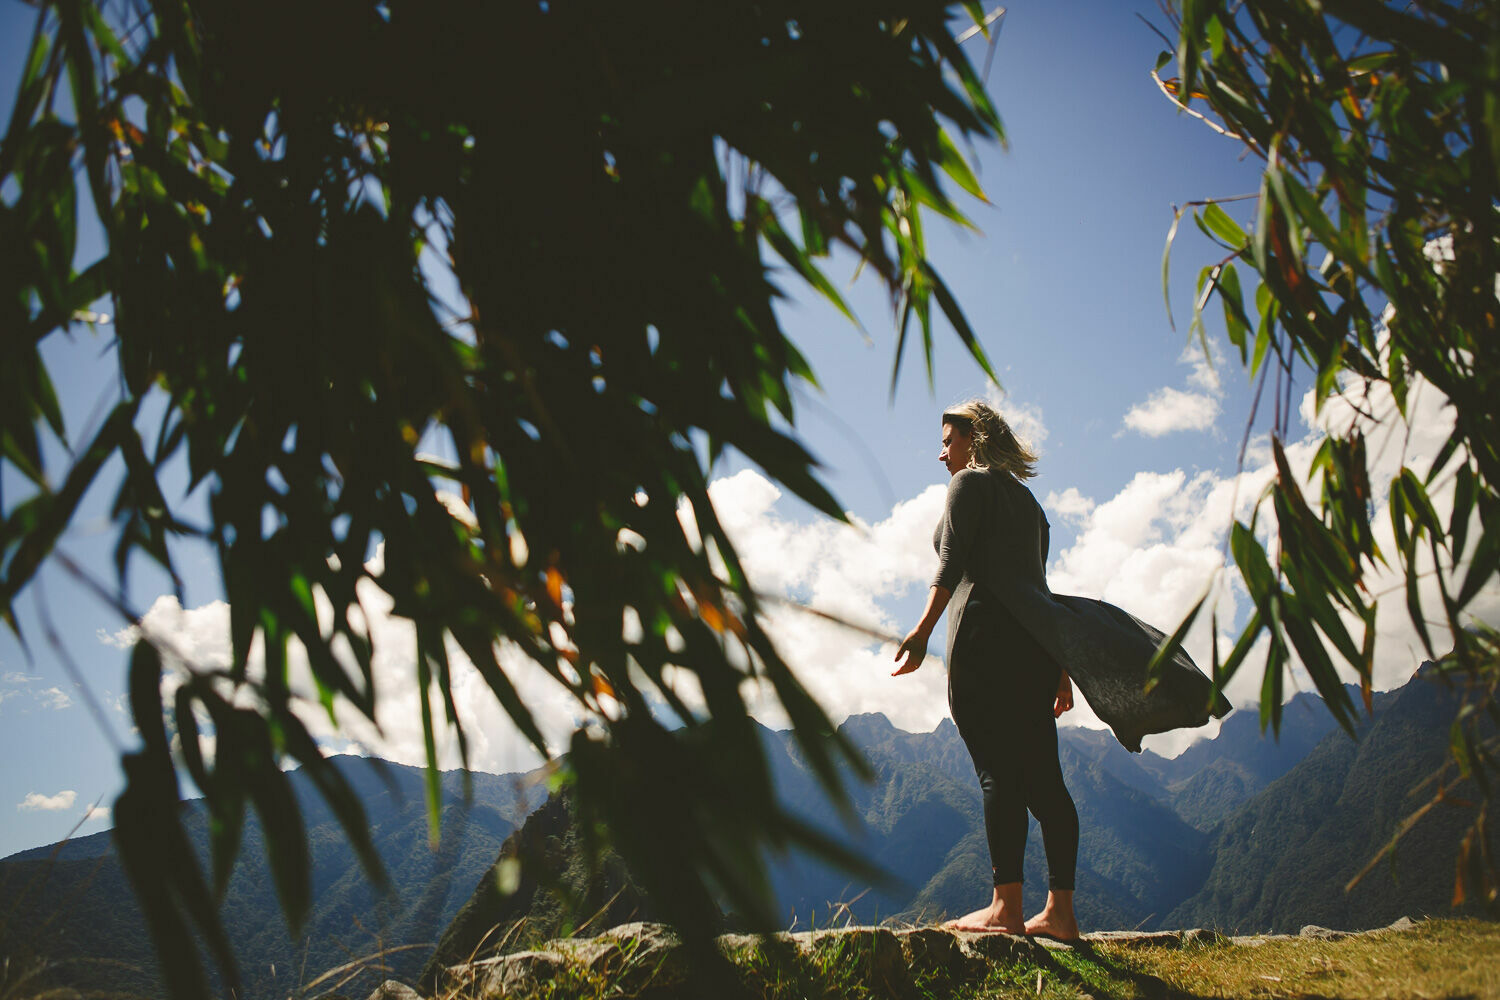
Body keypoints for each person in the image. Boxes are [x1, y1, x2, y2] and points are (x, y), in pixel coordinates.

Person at [893, 399, 1079, 939]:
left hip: (982, 642)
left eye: (947, 440)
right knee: (1046, 784)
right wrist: (1059, 666)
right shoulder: (1031, 508)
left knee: (999, 772)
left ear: (973, 440)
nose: (941, 453)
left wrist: (924, 630)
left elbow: (949, 564)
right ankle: (1061, 913)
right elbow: (1037, 590)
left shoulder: (969, 485)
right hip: (1032, 650)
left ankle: (1006, 908)